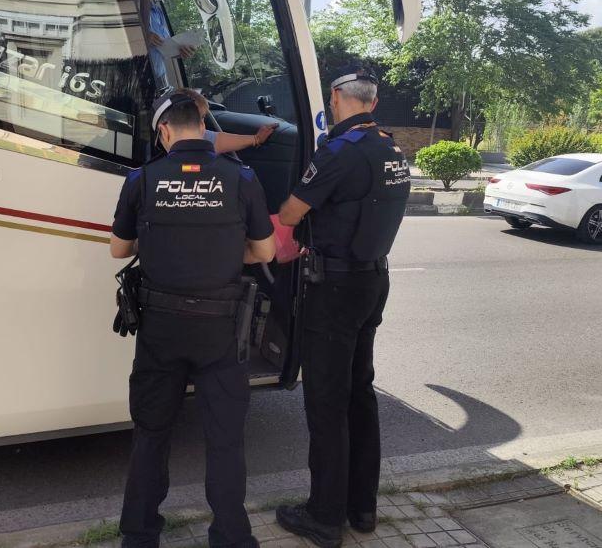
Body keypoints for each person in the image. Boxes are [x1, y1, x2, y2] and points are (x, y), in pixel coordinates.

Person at [110, 90, 276, 548]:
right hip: (221, 331)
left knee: (151, 434)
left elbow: (119, 249)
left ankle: (139, 537)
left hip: (160, 330)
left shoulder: (141, 180)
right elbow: (265, 252)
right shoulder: (242, 179)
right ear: (203, 129)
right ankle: (231, 536)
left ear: (164, 131)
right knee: (224, 438)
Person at [272, 67, 410, 548]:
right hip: (373, 280)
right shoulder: (392, 148)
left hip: (333, 288)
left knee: (327, 402)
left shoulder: (338, 151)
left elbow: (292, 213)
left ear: (336, 97)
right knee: (359, 393)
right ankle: (362, 508)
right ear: (372, 101)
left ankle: (324, 517)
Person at [177, 88, 279, 155]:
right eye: (194, 119)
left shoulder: (200, 136)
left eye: (203, 117)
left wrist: (256, 139)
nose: (202, 125)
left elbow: (219, 140)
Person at [147, 0, 197, 90]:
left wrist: (180, 51)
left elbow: (165, 47)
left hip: (160, 78)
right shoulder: (128, 6)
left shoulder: (158, 12)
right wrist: (142, 38)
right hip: (135, 79)